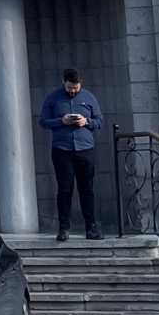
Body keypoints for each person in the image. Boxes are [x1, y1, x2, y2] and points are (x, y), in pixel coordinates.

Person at [38, 68, 103, 241]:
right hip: (62, 149)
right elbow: (43, 121)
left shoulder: (89, 97)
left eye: (76, 88)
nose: (73, 91)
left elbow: (99, 121)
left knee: (86, 189)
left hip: (85, 149)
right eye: (69, 88)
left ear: (80, 83)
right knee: (65, 190)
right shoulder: (53, 98)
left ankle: (91, 227)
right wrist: (61, 121)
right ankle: (64, 228)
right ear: (63, 82)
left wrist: (86, 121)